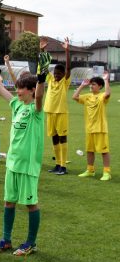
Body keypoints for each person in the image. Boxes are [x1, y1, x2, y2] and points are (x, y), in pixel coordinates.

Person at [0, 63, 45, 256]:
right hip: (12, 163)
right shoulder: (16, 105)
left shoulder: (36, 111)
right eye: (18, 87)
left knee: (31, 204)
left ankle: (31, 243)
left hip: (28, 166)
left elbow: (39, 96)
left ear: (31, 90)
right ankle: (6, 240)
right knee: (9, 202)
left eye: (22, 88)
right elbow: (0, 87)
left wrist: (42, 77)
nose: (18, 91)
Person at [73, 73, 112, 181]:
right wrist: (82, 85)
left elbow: (108, 93)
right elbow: (74, 97)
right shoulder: (87, 97)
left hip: (100, 128)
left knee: (104, 151)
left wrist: (106, 80)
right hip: (89, 128)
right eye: (91, 85)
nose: (91, 86)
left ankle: (107, 172)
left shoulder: (102, 96)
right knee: (89, 150)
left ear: (99, 86)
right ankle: (90, 170)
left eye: (93, 84)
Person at [42, 37, 72, 175]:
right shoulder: (51, 80)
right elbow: (44, 66)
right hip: (50, 112)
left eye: (59, 74)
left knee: (62, 138)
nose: (56, 76)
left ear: (63, 75)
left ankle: (63, 166)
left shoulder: (64, 82)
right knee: (53, 137)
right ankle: (57, 164)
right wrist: (42, 50)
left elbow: (68, 68)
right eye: (55, 74)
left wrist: (67, 50)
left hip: (61, 112)